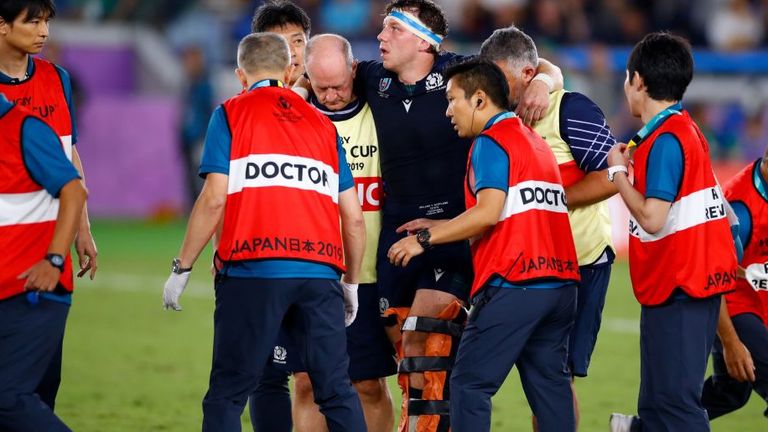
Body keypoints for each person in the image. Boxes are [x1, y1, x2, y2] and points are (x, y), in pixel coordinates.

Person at [350, 2, 564, 428]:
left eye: (393, 28)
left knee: (428, 345)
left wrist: (543, 80)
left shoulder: (463, 72)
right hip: (397, 232)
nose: (381, 37)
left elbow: (539, 65)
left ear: (424, 38)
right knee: (413, 363)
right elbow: (327, 73)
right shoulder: (373, 77)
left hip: (453, 233)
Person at [161, 33, 367, 432]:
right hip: (320, 273)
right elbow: (353, 217)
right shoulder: (323, 126)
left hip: (253, 270)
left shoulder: (231, 113)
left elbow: (214, 199)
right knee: (336, 392)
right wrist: (352, 284)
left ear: (241, 75)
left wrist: (181, 267)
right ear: (291, 70)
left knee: (228, 392)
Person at [388, 58, 580, 432]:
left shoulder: (491, 142)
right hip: (560, 286)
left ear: (479, 100)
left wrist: (423, 240)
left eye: (451, 99)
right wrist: (444, 224)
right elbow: (512, 213)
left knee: (469, 384)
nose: (447, 111)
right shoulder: (535, 143)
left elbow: (488, 213)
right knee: (550, 388)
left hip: (516, 283)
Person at [478, 25, 617, 429]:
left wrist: (552, 201)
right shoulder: (493, 116)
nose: (494, 89)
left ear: (526, 74)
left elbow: (614, 176)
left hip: (579, 265)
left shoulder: (571, 108)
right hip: (520, 268)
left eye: (501, 80)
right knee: (535, 376)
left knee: (555, 378)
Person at [264, 34, 397, 432]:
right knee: (306, 383)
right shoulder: (294, 119)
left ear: (354, 70)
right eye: (321, 86)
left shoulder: (382, 110)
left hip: (370, 275)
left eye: (339, 85)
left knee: (368, 384)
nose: (333, 95)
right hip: (311, 273)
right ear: (306, 77)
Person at [606, 32, 739, 432]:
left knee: (675, 408)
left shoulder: (665, 141)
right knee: (657, 407)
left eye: (627, 79)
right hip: (689, 285)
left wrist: (616, 173)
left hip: (679, 287)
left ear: (639, 81)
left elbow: (651, 218)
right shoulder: (686, 131)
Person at [0, 0, 98, 411]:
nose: (43, 31)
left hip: (47, 253)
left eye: (46, 22)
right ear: (2, 25)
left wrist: (83, 231)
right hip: (8, 255)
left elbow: (69, 155)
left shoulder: (57, 78)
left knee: (40, 389)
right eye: (33, 21)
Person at [0, 93, 88, 431]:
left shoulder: (25, 128)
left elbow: (74, 191)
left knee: (9, 397)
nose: (44, 33)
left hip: (32, 292)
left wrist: (53, 259)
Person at [701, 145, 768, 421]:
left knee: (731, 392)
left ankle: (643, 428)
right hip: (735, 303)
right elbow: (714, 269)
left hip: (760, 302)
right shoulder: (739, 205)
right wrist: (729, 340)